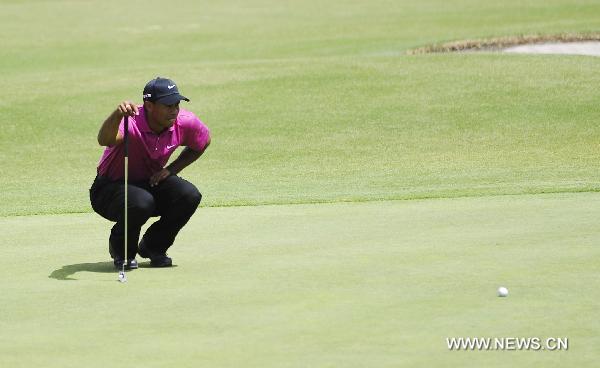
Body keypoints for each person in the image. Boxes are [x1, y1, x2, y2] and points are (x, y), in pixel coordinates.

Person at [89, 77, 211, 269]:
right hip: (109, 190)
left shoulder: (184, 122)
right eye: (167, 105)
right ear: (149, 105)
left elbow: (203, 142)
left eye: (176, 104)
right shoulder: (131, 120)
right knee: (141, 202)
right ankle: (122, 252)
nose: (174, 110)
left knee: (189, 195)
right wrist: (116, 115)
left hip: (150, 183)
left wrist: (172, 169)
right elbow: (105, 139)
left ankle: (154, 247)